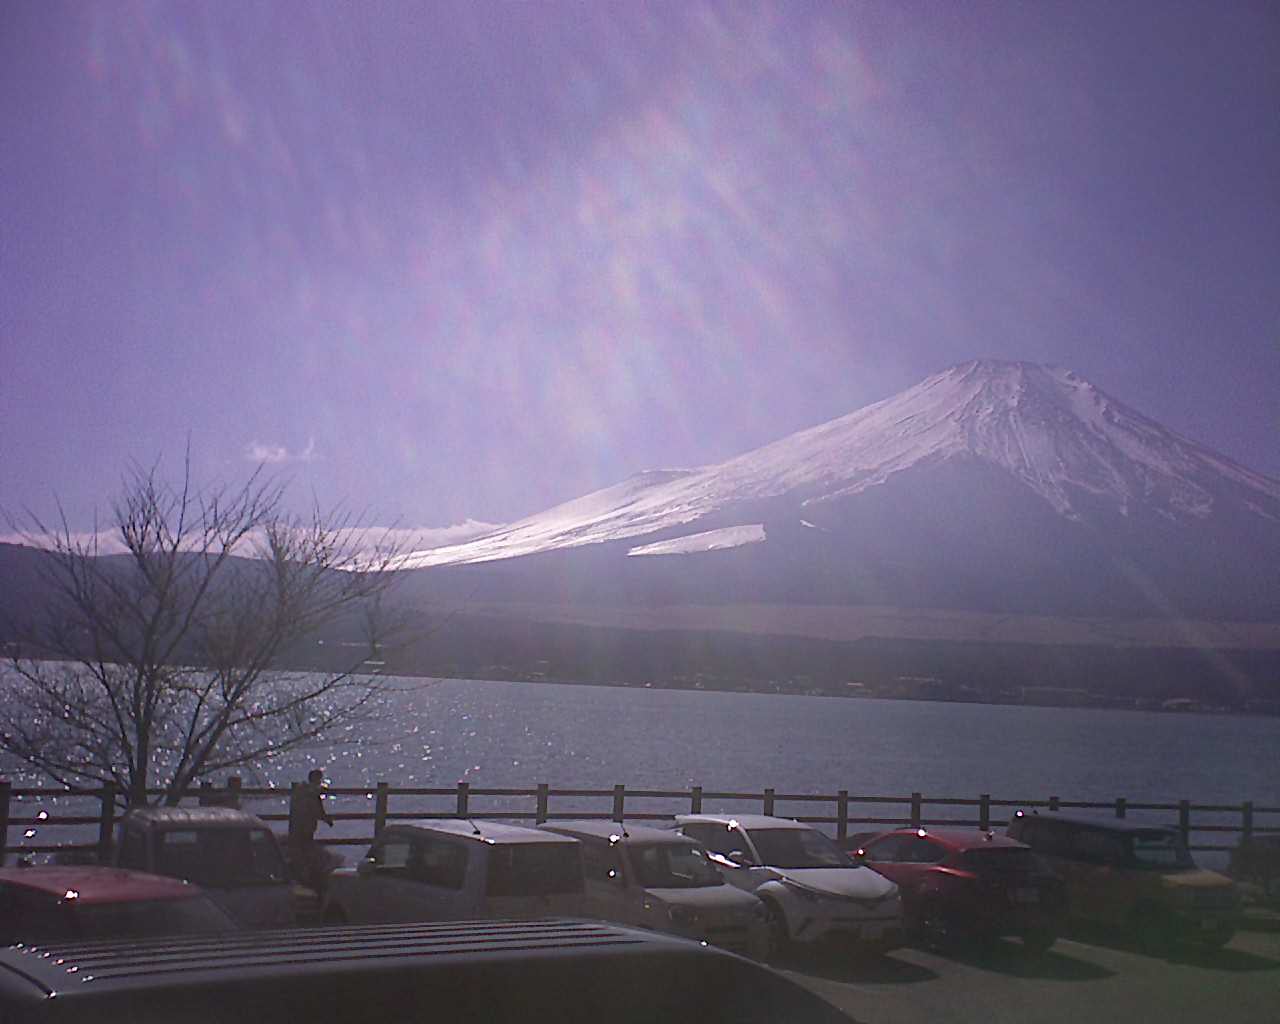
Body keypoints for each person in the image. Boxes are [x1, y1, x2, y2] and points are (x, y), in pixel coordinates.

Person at [288, 769, 334, 891]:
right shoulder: (312, 792)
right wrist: (326, 819)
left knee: (300, 849)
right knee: (306, 849)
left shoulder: (300, 790)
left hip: (297, 825)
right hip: (306, 826)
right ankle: (307, 878)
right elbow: (317, 809)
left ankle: (301, 875)